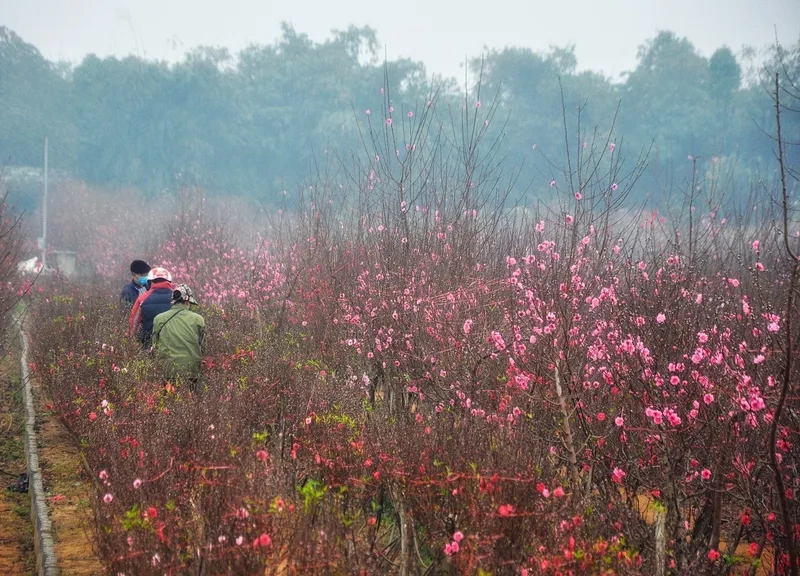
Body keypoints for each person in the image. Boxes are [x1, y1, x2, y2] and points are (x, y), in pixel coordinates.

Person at [151, 284, 205, 390]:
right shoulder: (198, 319)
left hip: (167, 370)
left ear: (173, 302)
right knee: (191, 401)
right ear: (187, 302)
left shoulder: (159, 319)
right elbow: (203, 347)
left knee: (168, 402)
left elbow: (155, 346)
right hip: (191, 371)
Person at [129, 267, 174, 347]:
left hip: (149, 345)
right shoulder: (177, 297)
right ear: (169, 281)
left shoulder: (142, 298)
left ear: (150, 281)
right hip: (173, 345)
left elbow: (134, 323)